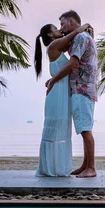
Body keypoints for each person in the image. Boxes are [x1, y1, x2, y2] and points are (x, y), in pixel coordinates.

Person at [34, 22, 92, 177]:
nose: (60, 29)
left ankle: (58, 167)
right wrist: (82, 26)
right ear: (50, 35)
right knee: (56, 129)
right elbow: (73, 35)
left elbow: (78, 46)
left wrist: (89, 35)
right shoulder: (54, 45)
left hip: (62, 91)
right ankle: (51, 168)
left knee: (62, 130)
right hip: (57, 93)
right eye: (56, 29)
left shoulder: (57, 46)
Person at [46, 10, 98, 178]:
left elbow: (72, 64)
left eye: (62, 24)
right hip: (83, 88)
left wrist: (53, 80)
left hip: (81, 88)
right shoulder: (81, 38)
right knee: (84, 128)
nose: (61, 28)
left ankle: (91, 168)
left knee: (85, 129)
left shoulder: (81, 38)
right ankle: (85, 165)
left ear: (72, 22)